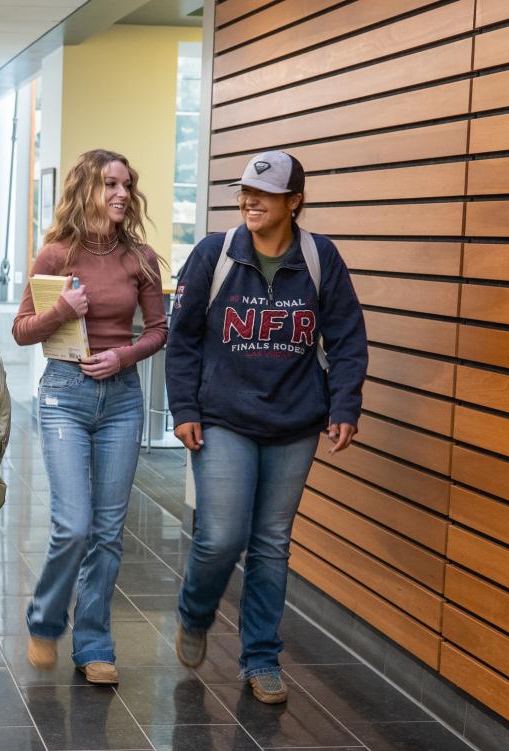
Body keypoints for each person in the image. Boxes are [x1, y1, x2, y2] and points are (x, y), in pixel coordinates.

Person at [165, 150, 368, 704]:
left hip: (295, 421)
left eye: (266, 193)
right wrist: (183, 408)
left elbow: (348, 338)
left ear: (294, 202)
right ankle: (196, 609)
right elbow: (181, 337)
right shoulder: (216, 254)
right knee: (221, 537)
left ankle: (260, 659)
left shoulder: (319, 258)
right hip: (224, 417)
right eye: (247, 192)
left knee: (272, 543)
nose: (250, 201)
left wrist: (344, 406)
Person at [12, 149, 168, 686]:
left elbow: (158, 330)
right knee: (73, 525)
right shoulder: (56, 255)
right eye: (110, 184)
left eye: (127, 184)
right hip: (63, 394)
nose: (122, 193)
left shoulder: (141, 258)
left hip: (122, 398)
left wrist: (123, 355)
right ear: (86, 190)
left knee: (106, 531)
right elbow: (22, 329)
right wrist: (63, 311)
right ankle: (45, 619)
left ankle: (95, 644)